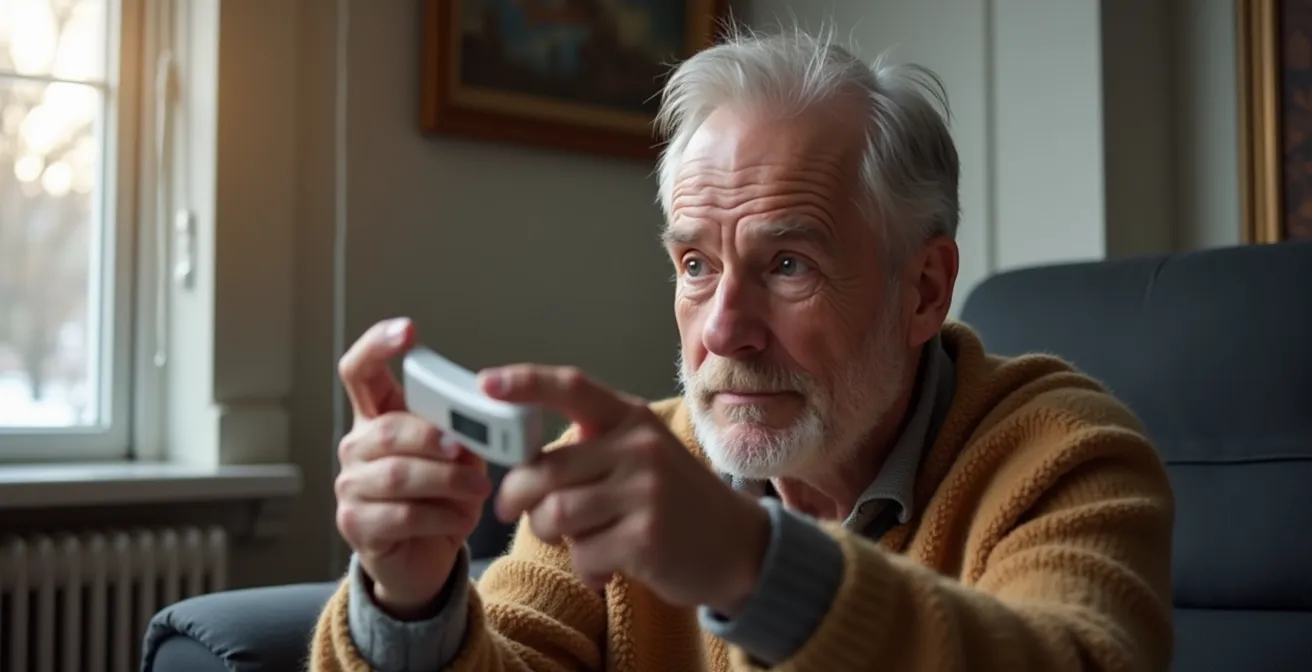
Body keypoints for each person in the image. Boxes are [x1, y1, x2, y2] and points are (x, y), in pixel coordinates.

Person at [310, 25, 1174, 672]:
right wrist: (413, 603)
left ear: (923, 290)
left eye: (788, 264)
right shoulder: (622, 467)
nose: (723, 328)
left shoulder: (1066, 457)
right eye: (695, 264)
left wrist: (753, 569)